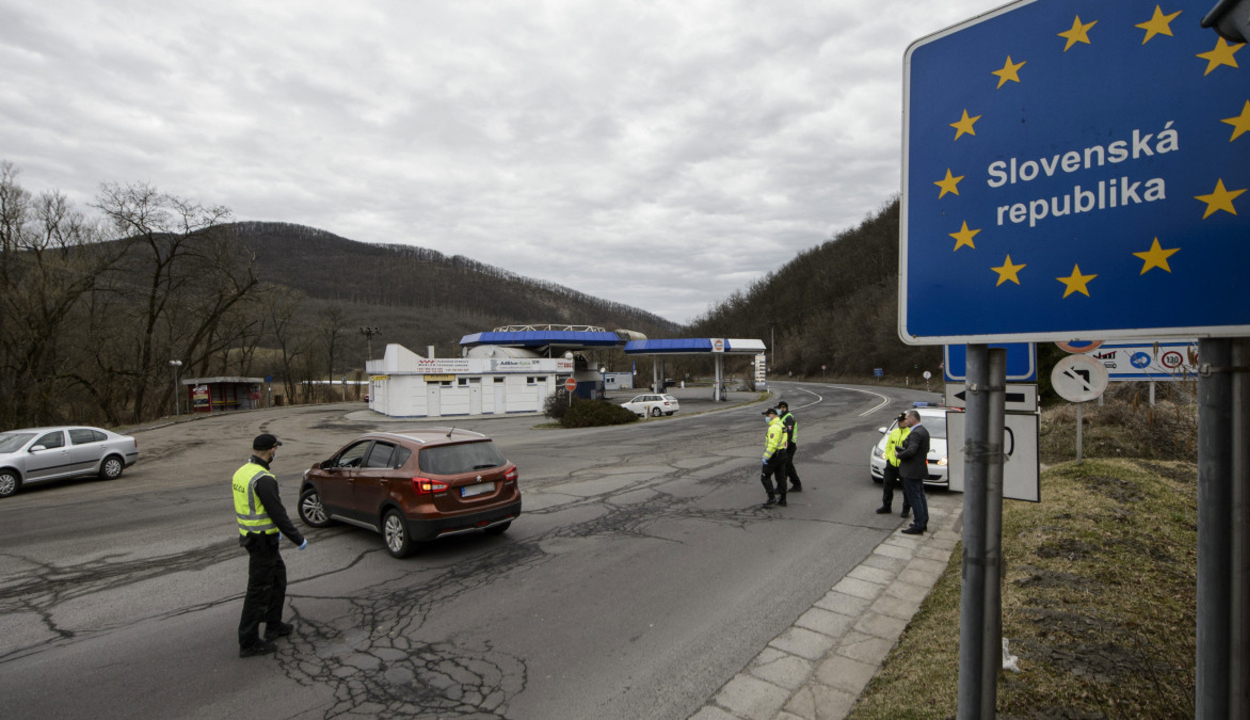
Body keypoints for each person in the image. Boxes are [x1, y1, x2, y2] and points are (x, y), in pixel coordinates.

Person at [233, 433, 307, 658]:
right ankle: (248, 642)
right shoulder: (263, 479)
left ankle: (273, 625)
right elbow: (278, 514)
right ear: (271, 450)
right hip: (262, 542)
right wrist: (298, 538)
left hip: (256, 538)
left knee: (277, 580)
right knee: (258, 591)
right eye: (276, 449)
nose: (276, 453)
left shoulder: (242, 472)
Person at [894, 410, 931, 534]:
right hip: (918, 468)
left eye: (907, 418)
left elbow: (911, 451)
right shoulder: (923, 431)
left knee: (915, 498)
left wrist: (899, 455)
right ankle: (923, 521)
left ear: (913, 419)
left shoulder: (916, 433)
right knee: (920, 496)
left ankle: (918, 525)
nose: (906, 420)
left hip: (912, 470)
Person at [875, 413, 912, 517]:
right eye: (898, 421)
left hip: (903, 466)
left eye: (902, 421)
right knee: (887, 486)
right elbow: (888, 447)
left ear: (907, 421)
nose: (900, 423)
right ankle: (886, 506)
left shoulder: (910, 434)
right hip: (891, 464)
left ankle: (906, 509)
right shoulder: (894, 432)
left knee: (906, 489)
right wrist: (888, 459)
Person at [759, 407, 789, 507]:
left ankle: (771, 498)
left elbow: (772, 445)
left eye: (768, 415)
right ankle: (783, 499)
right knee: (781, 477)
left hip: (774, 456)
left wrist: (765, 457)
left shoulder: (774, 428)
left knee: (765, 477)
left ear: (773, 415)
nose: (766, 418)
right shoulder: (781, 424)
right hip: (782, 453)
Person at [776, 401, 802, 492]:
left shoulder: (789, 418)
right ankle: (796, 484)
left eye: (780, 408)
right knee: (788, 466)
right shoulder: (782, 417)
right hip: (786, 446)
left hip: (789, 446)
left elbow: (789, 435)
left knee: (785, 466)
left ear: (784, 408)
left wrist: (784, 447)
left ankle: (781, 487)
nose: (779, 410)